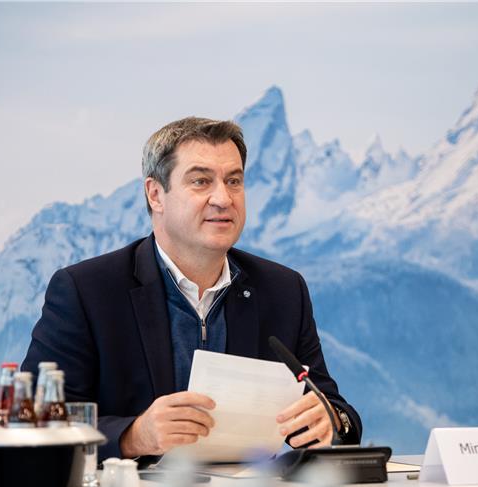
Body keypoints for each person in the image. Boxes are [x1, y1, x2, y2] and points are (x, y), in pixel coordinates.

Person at [22, 117, 361, 461]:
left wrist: (333, 421)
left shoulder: (282, 290)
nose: (223, 198)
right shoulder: (87, 291)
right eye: (201, 181)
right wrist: (132, 436)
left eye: (234, 181)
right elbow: (34, 421)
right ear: (156, 194)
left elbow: (333, 408)